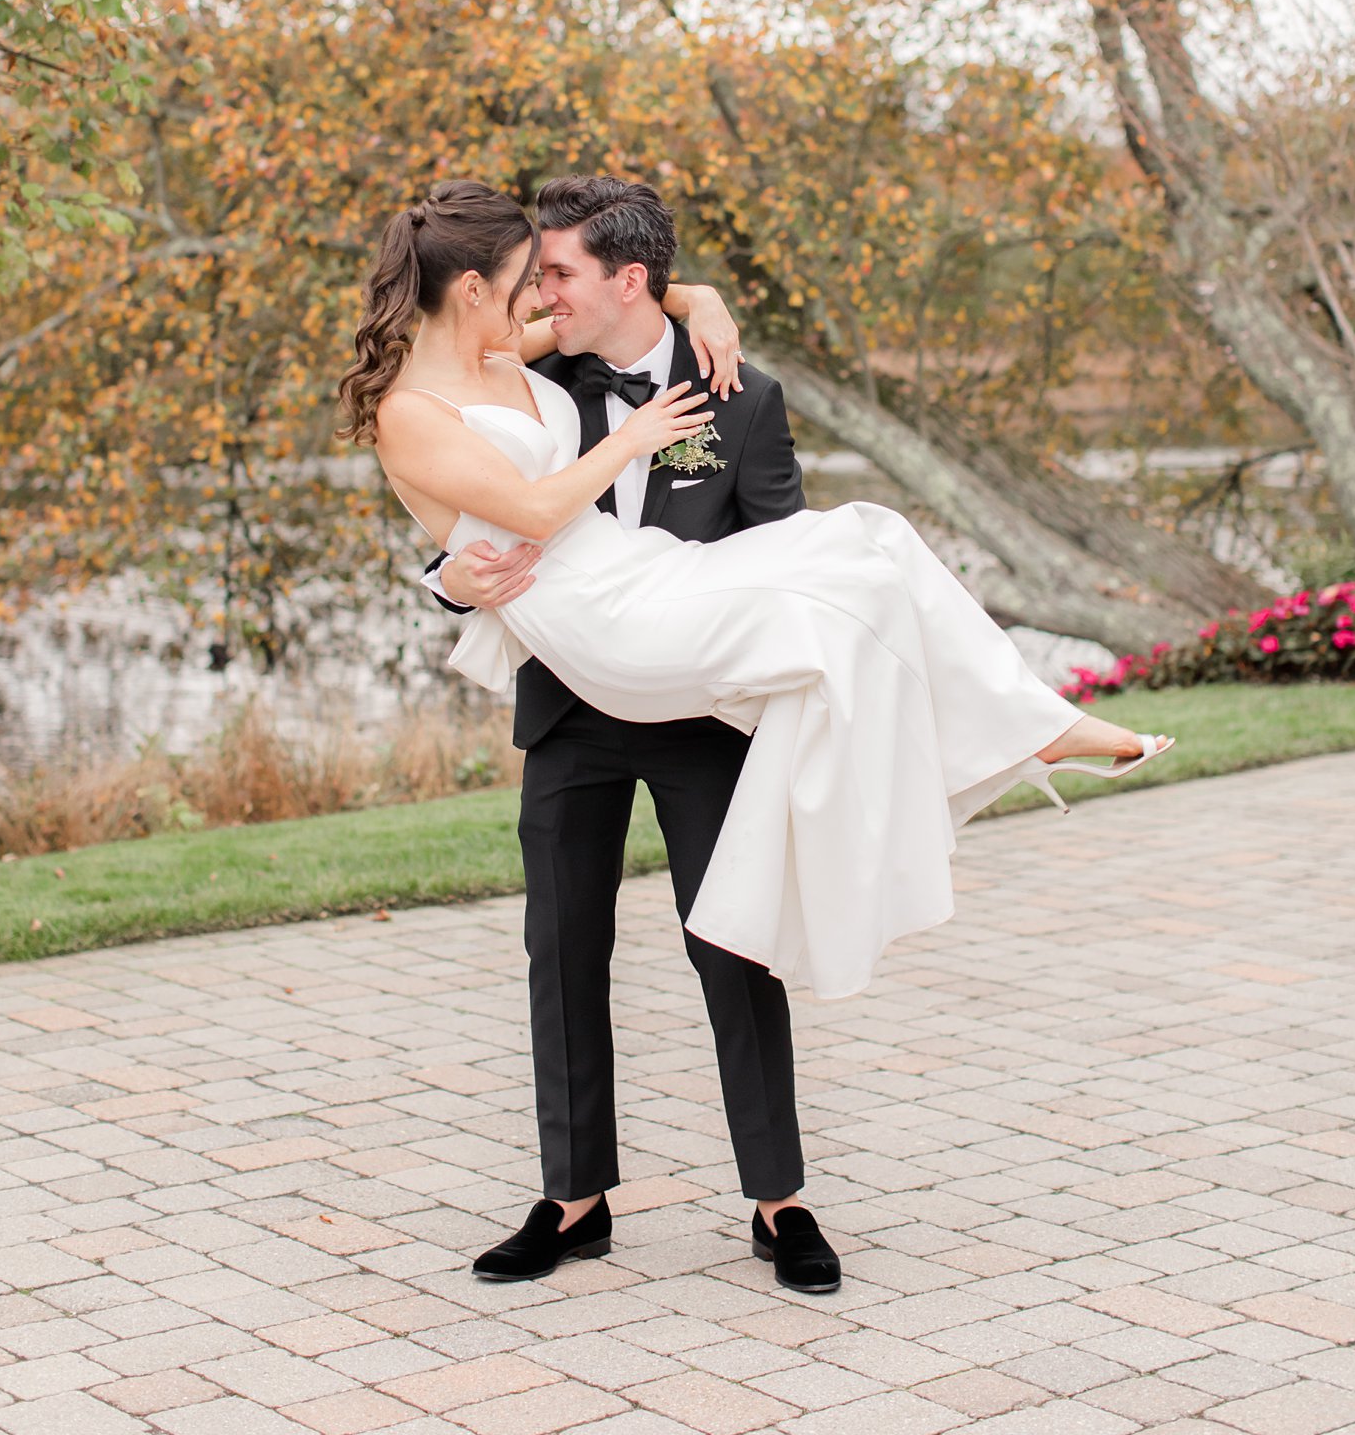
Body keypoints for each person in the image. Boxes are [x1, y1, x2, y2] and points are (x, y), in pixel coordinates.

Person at [341, 177, 1172, 1293]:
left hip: (690, 663)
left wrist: (705, 298)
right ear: (480, 288)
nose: (544, 297)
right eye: (527, 281)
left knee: (741, 917)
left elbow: (757, 519)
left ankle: (778, 1202)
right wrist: (455, 569)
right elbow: (493, 517)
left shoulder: (717, 386)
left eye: (560, 276)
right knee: (562, 951)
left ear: (623, 280)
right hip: (579, 671)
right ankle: (572, 1200)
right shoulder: (508, 367)